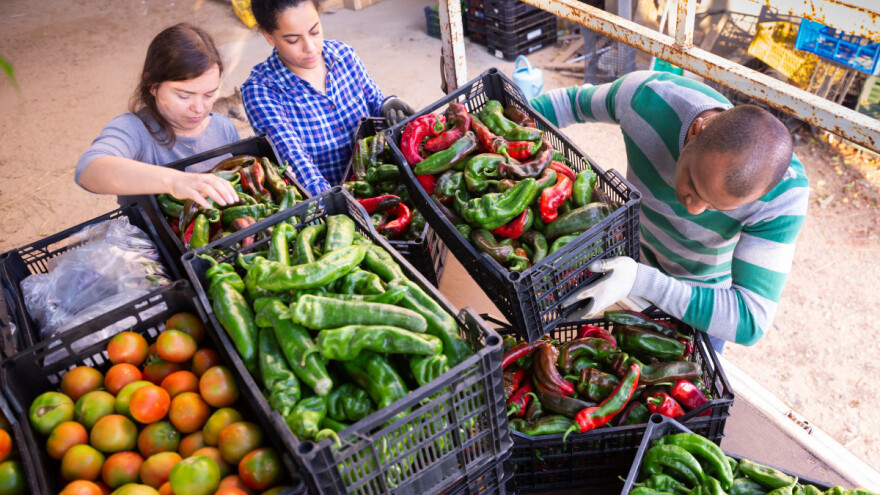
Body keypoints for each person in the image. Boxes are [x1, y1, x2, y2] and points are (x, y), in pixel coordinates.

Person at [530, 71, 809, 352]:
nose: (694, 208)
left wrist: (640, 281)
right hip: (629, 264)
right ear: (697, 131)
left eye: (714, 207)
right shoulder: (647, 97)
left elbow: (751, 321)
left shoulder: (784, 196)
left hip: (703, 306)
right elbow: (571, 103)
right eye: (693, 183)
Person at [242, 0, 414, 197]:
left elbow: (374, 104)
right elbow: (297, 164)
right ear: (268, 36)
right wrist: (339, 205)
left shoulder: (343, 55)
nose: (310, 47)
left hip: (381, 183)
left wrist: (387, 105)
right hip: (328, 203)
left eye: (314, 31)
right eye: (293, 40)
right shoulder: (262, 91)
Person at [76, 23, 240, 209]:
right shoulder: (134, 129)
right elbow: (88, 171)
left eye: (210, 94)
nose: (199, 108)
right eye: (184, 96)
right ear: (153, 86)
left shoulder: (223, 127)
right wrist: (175, 181)